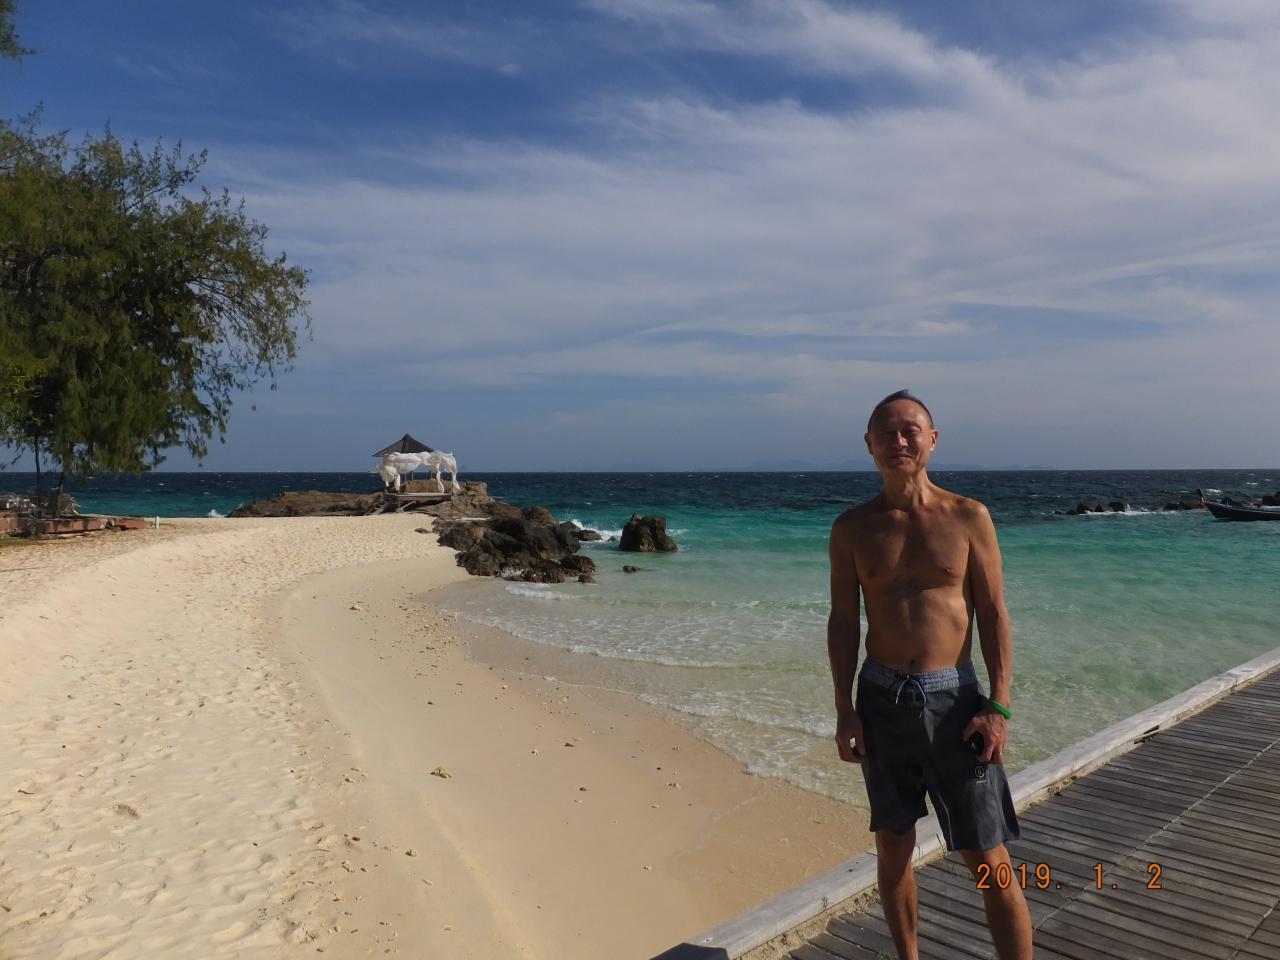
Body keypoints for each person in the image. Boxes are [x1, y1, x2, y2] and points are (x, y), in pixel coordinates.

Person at [827, 390, 1033, 960]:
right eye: (886, 432)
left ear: (932, 439)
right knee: (893, 846)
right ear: (869, 445)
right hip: (880, 698)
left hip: (955, 703)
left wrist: (999, 705)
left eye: (910, 430)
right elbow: (843, 621)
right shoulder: (853, 528)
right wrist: (844, 709)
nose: (899, 440)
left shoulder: (968, 517)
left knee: (987, 855)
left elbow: (993, 614)